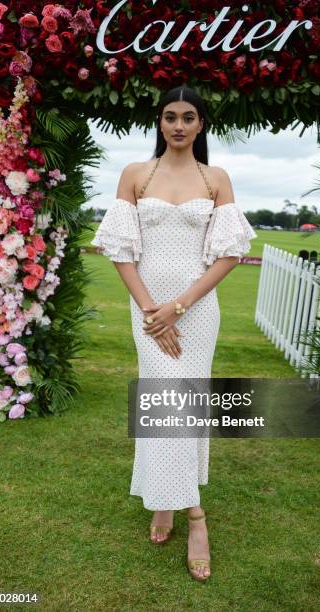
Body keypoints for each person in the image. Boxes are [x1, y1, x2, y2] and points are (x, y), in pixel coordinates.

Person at [91, 85, 257, 582]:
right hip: (147, 310)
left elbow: (228, 254)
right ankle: (180, 507)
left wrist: (180, 306)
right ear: (159, 123)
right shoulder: (135, 175)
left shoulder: (217, 179)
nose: (179, 125)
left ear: (201, 124)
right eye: (170, 116)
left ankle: (182, 509)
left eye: (188, 117)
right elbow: (121, 250)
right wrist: (151, 311)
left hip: (197, 311)